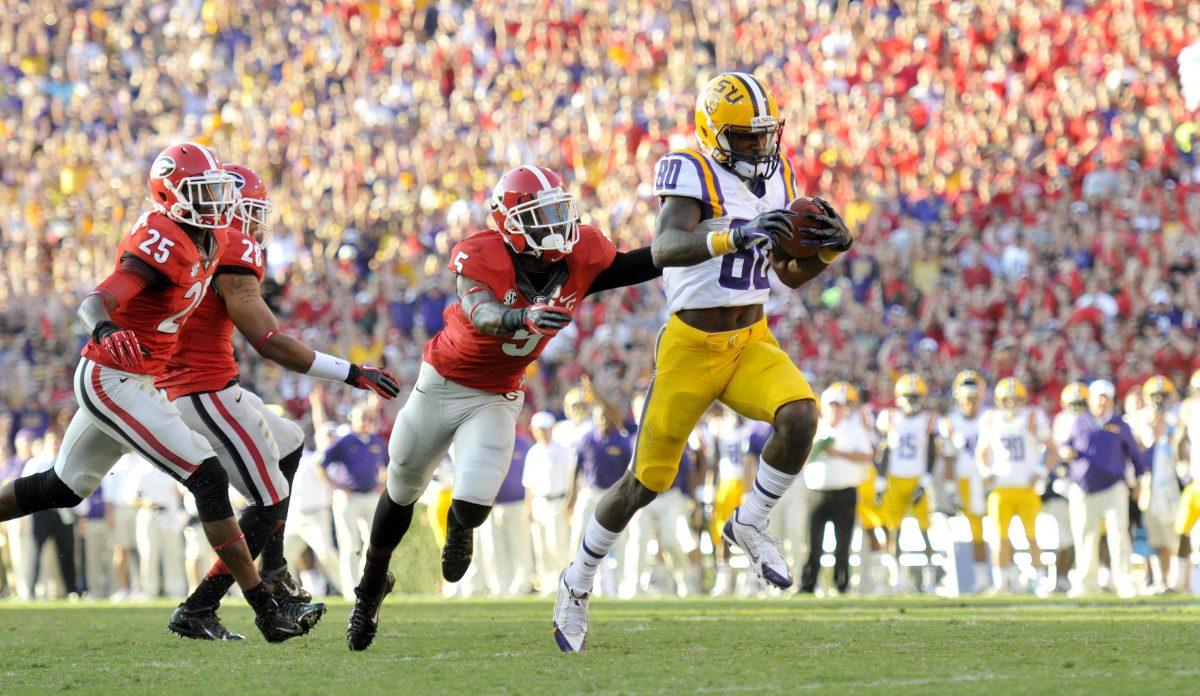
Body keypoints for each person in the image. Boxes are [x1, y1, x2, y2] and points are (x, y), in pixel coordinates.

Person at [554, 72, 851, 651]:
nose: (759, 147)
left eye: (765, 135)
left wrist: (830, 250)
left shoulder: (782, 174)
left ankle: (750, 521)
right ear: (714, 133)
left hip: (751, 340)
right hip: (690, 347)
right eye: (745, 137)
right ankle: (577, 580)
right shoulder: (690, 167)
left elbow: (788, 276)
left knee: (801, 417)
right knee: (643, 485)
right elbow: (665, 248)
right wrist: (735, 235)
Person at [0, 143, 319, 641]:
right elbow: (99, 298)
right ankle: (260, 607)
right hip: (112, 376)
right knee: (208, 478)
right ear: (171, 195)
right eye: (204, 192)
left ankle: (223, 603)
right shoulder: (162, 239)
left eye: (218, 190)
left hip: (142, 380)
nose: (218, 202)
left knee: (62, 487)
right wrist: (104, 327)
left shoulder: (212, 239)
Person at [347, 164, 661, 651]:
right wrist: (525, 316)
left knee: (473, 499)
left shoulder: (582, 257)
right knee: (402, 487)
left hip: (496, 395)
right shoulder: (481, 255)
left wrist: (717, 241)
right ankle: (370, 589)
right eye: (542, 215)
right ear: (511, 225)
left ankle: (459, 528)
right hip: (441, 386)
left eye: (558, 210)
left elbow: (644, 261)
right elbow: (482, 314)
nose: (556, 224)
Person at [161, 164, 397, 640]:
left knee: (290, 441)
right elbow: (269, 341)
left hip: (210, 384)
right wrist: (350, 371)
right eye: (249, 211)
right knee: (270, 500)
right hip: (199, 389)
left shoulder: (207, 243)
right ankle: (203, 605)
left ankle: (274, 565)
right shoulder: (229, 243)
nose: (253, 224)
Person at [1059, 379, 1147, 597]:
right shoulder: (1080, 421)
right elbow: (1065, 446)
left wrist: (1139, 482)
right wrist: (1065, 453)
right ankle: (1086, 584)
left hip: (1113, 487)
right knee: (1084, 536)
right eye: (1098, 397)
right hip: (1083, 487)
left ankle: (1123, 582)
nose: (1102, 402)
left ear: (1111, 400)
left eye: (1105, 397)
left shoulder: (1120, 424)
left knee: (1119, 535)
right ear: (1090, 399)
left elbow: (1136, 456)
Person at [975, 378, 1056, 594]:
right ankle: (1001, 583)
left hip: (1025, 487)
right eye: (1007, 399)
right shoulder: (991, 418)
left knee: (1032, 536)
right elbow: (981, 451)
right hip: (1001, 488)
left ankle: (1039, 581)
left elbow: (1051, 450)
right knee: (1000, 538)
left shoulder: (1033, 415)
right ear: (1000, 400)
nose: (1011, 403)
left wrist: (1040, 472)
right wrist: (986, 472)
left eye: (1016, 399)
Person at [800, 383, 874, 594]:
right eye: (831, 406)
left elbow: (867, 455)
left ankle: (841, 583)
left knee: (843, 543)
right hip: (817, 492)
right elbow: (799, 459)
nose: (835, 410)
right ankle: (808, 584)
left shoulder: (853, 429)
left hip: (845, 491)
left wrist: (838, 453)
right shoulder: (813, 428)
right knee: (813, 541)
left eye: (838, 406)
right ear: (823, 407)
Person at [876, 374, 939, 592]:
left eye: (915, 396)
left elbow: (932, 451)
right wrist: (881, 482)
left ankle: (930, 580)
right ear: (898, 397)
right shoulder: (890, 417)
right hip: (895, 478)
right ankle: (898, 579)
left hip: (917, 478)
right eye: (907, 396)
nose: (911, 401)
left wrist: (925, 480)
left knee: (925, 530)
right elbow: (885, 450)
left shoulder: (928, 419)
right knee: (895, 530)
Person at [319, 403, 388, 599]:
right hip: (349, 497)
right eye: (363, 417)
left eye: (369, 418)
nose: (367, 422)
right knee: (349, 543)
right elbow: (321, 464)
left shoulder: (377, 441)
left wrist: (383, 485)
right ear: (353, 419)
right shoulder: (345, 441)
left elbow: (388, 465)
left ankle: (369, 584)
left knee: (373, 542)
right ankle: (351, 590)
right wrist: (336, 486)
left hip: (371, 496)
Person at [567, 402, 634, 597]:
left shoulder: (622, 442)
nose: (602, 421)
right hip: (589, 492)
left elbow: (628, 473)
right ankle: (575, 581)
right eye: (599, 417)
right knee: (579, 536)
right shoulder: (586, 439)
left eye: (605, 416)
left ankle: (622, 585)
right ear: (594, 419)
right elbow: (575, 470)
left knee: (621, 540)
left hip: (614, 494)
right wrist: (570, 499)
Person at [939, 370, 989, 593]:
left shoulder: (990, 418)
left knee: (987, 531)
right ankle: (958, 577)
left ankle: (989, 578)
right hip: (963, 481)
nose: (970, 402)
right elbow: (949, 458)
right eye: (967, 397)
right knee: (961, 531)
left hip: (986, 480)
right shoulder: (950, 421)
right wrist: (951, 490)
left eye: (974, 397)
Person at [1133, 376, 1181, 593]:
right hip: (1149, 484)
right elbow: (1136, 451)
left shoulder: (1177, 418)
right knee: (1150, 533)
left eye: (1163, 396)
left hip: (1172, 484)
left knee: (1172, 534)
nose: (1159, 400)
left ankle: (1172, 580)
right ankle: (1157, 578)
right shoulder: (1140, 419)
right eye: (1155, 396)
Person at [522, 411, 573, 593]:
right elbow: (528, 483)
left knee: (556, 545)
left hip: (557, 502)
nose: (542, 433)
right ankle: (547, 585)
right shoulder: (533, 452)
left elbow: (571, 480)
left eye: (545, 429)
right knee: (541, 549)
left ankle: (566, 582)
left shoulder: (562, 450)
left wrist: (569, 504)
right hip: (539, 503)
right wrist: (528, 508)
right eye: (538, 430)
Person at [1045, 383, 1087, 592]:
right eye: (1073, 403)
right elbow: (1055, 452)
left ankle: (1069, 577)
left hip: (1083, 484)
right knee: (1064, 536)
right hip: (1062, 486)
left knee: (1080, 535)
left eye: (1080, 403)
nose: (1076, 407)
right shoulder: (1061, 421)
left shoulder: (1089, 421)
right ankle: (1060, 577)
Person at [480, 434, 534, 596]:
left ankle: (521, 584)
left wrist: (528, 505)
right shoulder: (487, 443)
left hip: (517, 502)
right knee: (493, 548)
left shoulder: (523, 445)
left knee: (519, 546)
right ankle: (498, 586)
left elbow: (530, 477)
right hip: (491, 504)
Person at [131, 457, 187, 599]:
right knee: (149, 553)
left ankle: (176, 590)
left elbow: (182, 491)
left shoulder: (172, 469)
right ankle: (149, 591)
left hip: (170, 514)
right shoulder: (142, 471)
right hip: (150, 514)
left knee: (173, 554)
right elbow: (132, 497)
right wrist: (144, 501)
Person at [1171, 370, 1200, 592]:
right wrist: (1182, 466)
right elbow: (1179, 439)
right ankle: (1179, 582)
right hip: (1196, 481)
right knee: (1182, 529)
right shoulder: (1190, 409)